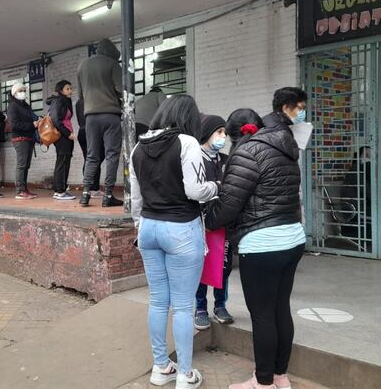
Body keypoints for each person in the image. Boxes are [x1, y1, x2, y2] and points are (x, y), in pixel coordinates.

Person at [206, 87, 308, 389]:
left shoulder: (246, 152)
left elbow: (228, 205)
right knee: (280, 309)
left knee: (262, 316)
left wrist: (209, 219)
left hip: (262, 243)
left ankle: (262, 383)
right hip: (292, 237)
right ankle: (280, 376)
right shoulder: (285, 147)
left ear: (235, 134)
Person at [130, 95, 218, 389]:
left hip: (149, 228)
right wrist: (215, 187)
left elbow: (136, 200)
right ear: (188, 117)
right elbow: (195, 191)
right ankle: (185, 374)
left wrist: (140, 227)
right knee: (182, 306)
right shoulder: (187, 143)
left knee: (157, 300)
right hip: (181, 228)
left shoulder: (137, 147)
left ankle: (160, 368)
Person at [194, 114, 234, 330]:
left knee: (223, 266)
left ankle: (220, 305)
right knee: (201, 267)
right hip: (200, 222)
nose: (223, 137)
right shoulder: (194, 158)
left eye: (225, 133)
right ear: (207, 133)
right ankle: (200, 307)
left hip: (223, 221)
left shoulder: (226, 160)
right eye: (219, 132)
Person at [78, 38, 124, 208]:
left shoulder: (82, 66)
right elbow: (121, 90)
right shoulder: (113, 65)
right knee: (112, 155)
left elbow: (81, 96)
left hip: (91, 118)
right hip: (110, 115)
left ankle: (85, 195)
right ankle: (108, 195)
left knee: (92, 156)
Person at [7, 82, 38, 199]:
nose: (23, 93)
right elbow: (14, 124)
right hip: (20, 139)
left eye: (24, 90)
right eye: (20, 91)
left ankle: (24, 188)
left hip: (29, 138)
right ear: (14, 93)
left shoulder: (25, 105)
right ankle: (20, 190)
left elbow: (33, 117)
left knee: (26, 165)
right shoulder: (12, 106)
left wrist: (39, 120)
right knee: (22, 164)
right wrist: (32, 125)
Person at [49, 80, 76, 200]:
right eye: (67, 89)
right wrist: (67, 133)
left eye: (70, 88)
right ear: (61, 90)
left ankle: (62, 190)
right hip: (62, 136)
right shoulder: (58, 101)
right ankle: (59, 191)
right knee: (62, 161)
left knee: (66, 161)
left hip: (67, 136)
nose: (70, 91)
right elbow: (55, 120)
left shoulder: (65, 101)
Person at [75, 97, 103, 198]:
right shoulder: (90, 99)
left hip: (82, 131)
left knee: (89, 159)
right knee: (94, 159)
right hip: (90, 131)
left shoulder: (79, 102)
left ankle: (90, 187)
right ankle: (93, 188)